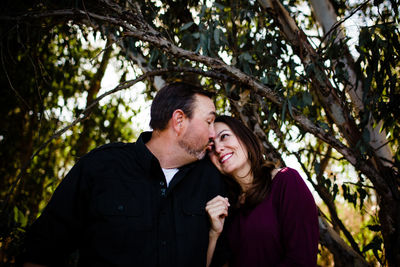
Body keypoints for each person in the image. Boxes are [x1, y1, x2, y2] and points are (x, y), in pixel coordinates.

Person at [21, 82, 228, 267]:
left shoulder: (212, 180)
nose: (213, 134)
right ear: (179, 120)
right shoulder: (101, 167)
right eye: (209, 122)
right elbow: (42, 251)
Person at [206, 115, 319, 267]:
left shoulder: (286, 181)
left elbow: (302, 260)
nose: (218, 149)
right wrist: (214, 233)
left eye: (224, 136)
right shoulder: (225, 206)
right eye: (211, 147)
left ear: (244, 137)